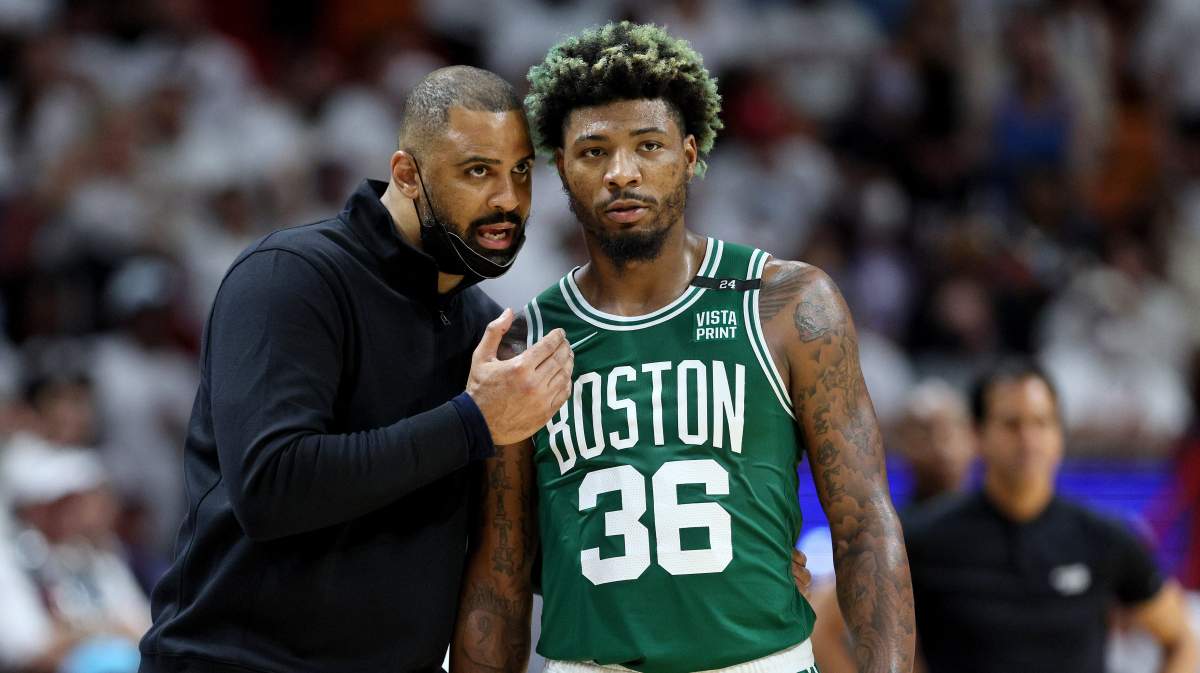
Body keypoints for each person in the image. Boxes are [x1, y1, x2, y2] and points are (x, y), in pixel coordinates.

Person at [452, 22, 914, 673]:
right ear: (561, 167)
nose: (622, 173)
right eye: (593, 152)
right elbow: (500, 573)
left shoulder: (786, 303)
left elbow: (864, 523)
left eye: (649, 145)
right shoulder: (526, 344)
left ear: (690, 154)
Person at [138, 66, 574, 673]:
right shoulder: (289, 276)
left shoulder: (487, 331)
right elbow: (272, 487)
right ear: (407, 174)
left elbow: (503, 558)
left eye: (521, 171)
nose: (507, 199)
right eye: (478, 171)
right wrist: (472, 423)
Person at [903, 359, 1199, 673]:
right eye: (1012, 424)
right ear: (978, 434)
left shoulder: (1104, 539)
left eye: (1041, 422)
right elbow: (865, 639)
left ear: (1059, 434)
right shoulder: (924, 540)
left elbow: (1182, 639)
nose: (1028, 440)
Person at [811, 379, 974, 673]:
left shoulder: (991, 525)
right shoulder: (895, 532)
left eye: (951, 430)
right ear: (900, 441)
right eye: (925, 432)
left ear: (973, 437)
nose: (941, 446)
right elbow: (821, 625)